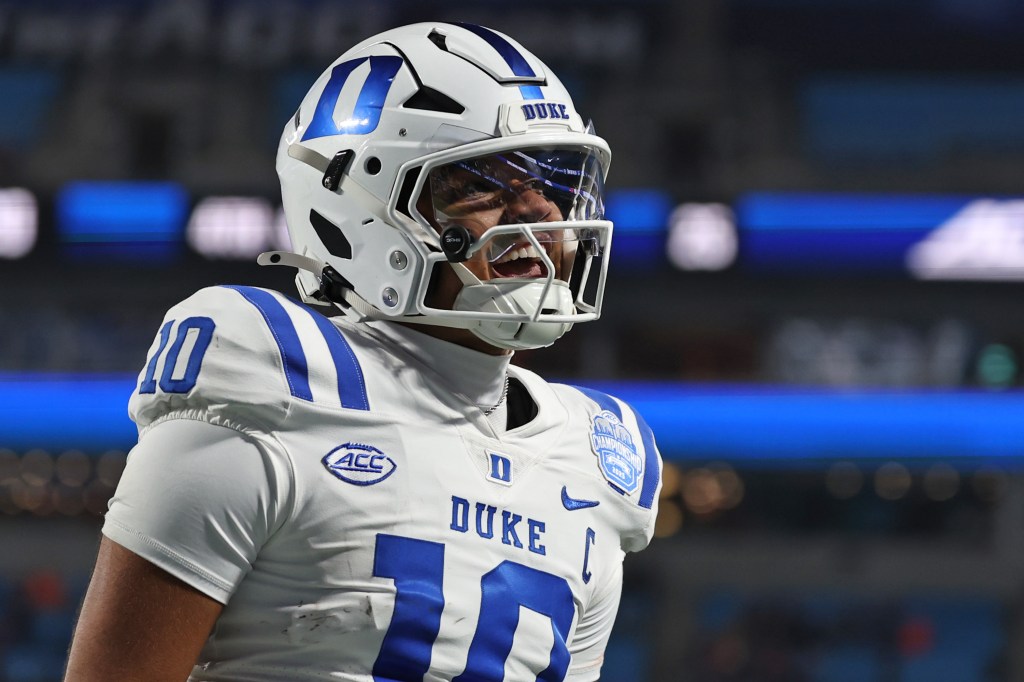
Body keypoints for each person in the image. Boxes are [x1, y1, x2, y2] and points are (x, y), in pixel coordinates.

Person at [64, 22, 662, 682]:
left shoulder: (597, 459)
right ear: (360, 209)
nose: (542, 216)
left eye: (552, 184)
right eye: (484, 188)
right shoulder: (273, 382)